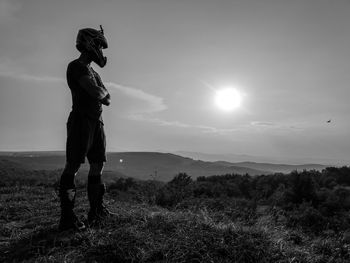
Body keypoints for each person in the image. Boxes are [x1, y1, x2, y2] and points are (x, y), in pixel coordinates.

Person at [58, 26, 114, 231]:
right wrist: (101, 93)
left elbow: (106, 96)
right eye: (99, 44)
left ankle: (96, 211)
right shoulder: (76, 66)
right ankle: (67, 217)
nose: (101, 49)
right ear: (90, 43)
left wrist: (101, 93)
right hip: (81, 120)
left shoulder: (93, 71)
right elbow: (96, 92)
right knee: (72, 166)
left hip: (97, 122)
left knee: (98, 164)